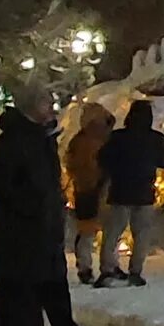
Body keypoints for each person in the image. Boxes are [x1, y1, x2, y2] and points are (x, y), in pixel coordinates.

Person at [0, 86, 106, 326]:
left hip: (44, 231)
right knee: (16, 294)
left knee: (55, 291)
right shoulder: (12, 142)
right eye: (45, 102)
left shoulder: (41, 140)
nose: (51, 107)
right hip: (19, 235)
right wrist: (33, 208)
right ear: (30, 106)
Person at [96, 101, 164, 286]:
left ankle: (107, 269)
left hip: (120, 190)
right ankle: (135, 270)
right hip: (144, 191)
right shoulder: (156, 139)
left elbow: (102, 159)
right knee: (142, 234)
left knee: (112, 233)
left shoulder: (117, 137)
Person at [63, 100, 112, 286]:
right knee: (93, 230)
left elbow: (73, 164)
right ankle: (92, 266)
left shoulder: (81, 140)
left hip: (87, 188)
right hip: (93, 189)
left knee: (88, 230)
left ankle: (87, 266)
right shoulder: (96, 141)